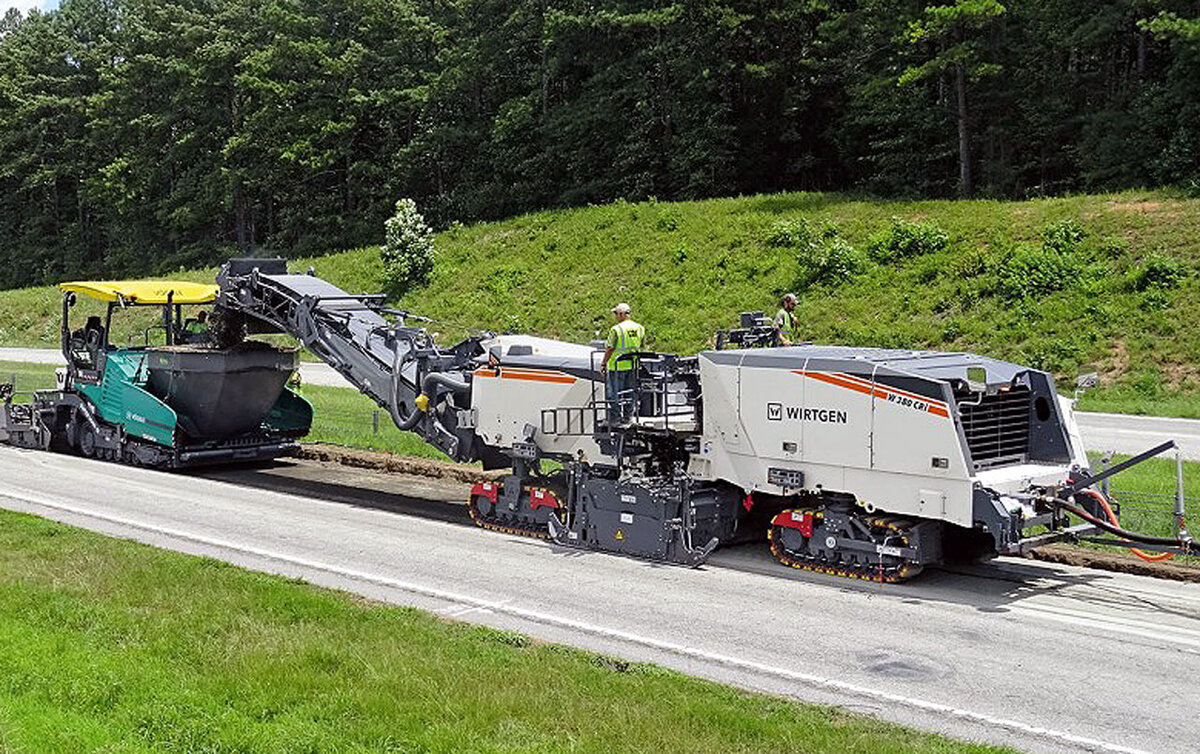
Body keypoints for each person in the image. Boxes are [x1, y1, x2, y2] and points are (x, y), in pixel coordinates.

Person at [602, 302, 645, 424]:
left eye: (616, 314)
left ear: (621, 314)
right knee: (631, 392)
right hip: (633, 366)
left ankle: (615, 418)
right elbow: (642, 346)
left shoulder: (616, 329)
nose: (616, 316)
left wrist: (604, 363)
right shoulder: (639, 328)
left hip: (617, 366)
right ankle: (628, 417)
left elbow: (610, 348)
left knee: (613, 393)